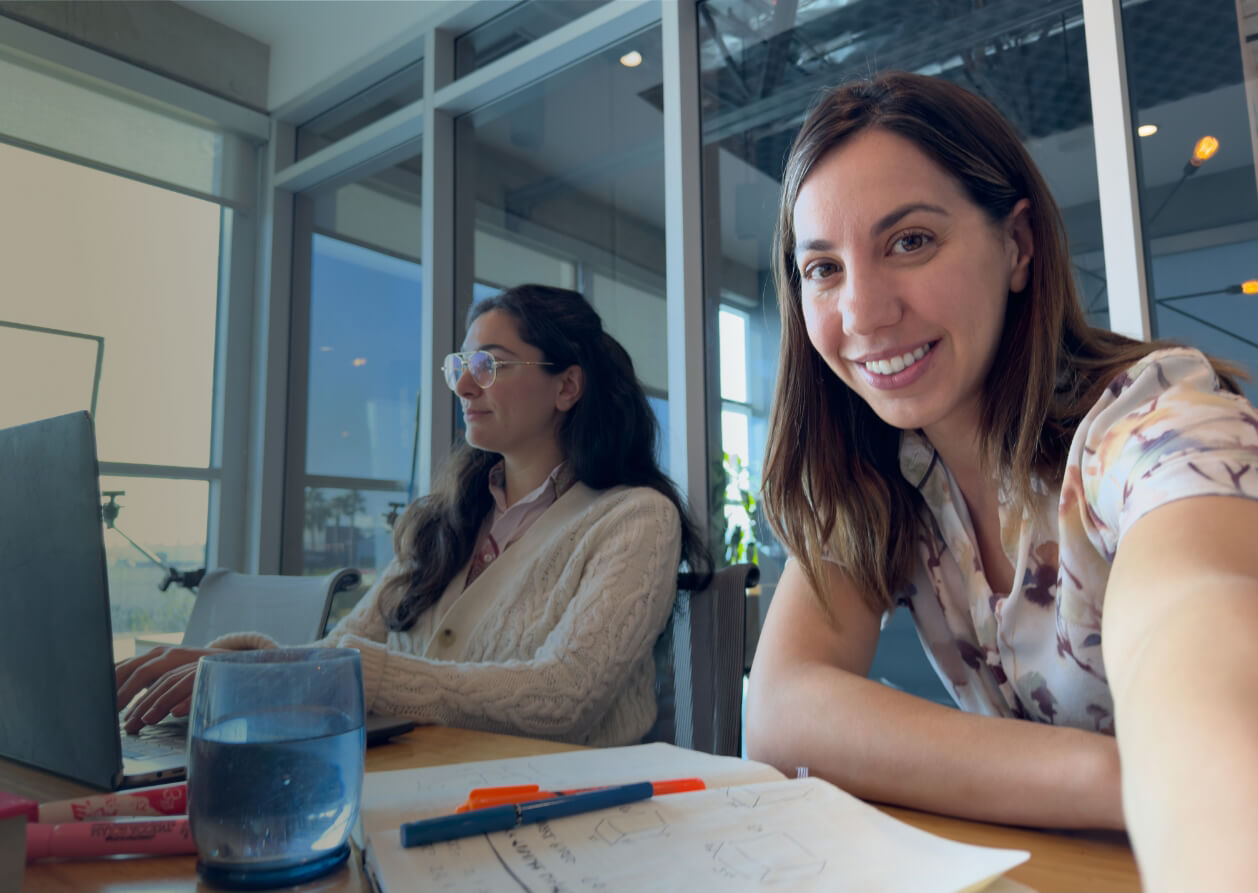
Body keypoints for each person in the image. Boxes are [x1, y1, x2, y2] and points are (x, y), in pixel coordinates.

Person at [746, 71, 1258, 889]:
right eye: (823, 269)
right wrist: (1115, 776)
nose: (864, 313)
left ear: (1017, 248)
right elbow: (782, 712)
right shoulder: (883, 472)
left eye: (909, 241)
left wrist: (1183, 774)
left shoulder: (1152, 421)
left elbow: (1193, 616)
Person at [117, 284, 709, 748]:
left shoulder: (635, 519)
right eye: (462, 366)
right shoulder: (443, 522)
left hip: (558, 817)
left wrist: (331, 673)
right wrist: (250, 668)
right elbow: (345, 648)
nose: (465, 386)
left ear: (567, 387)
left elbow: (563, 696)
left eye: (491, 365)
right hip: (417, 790)